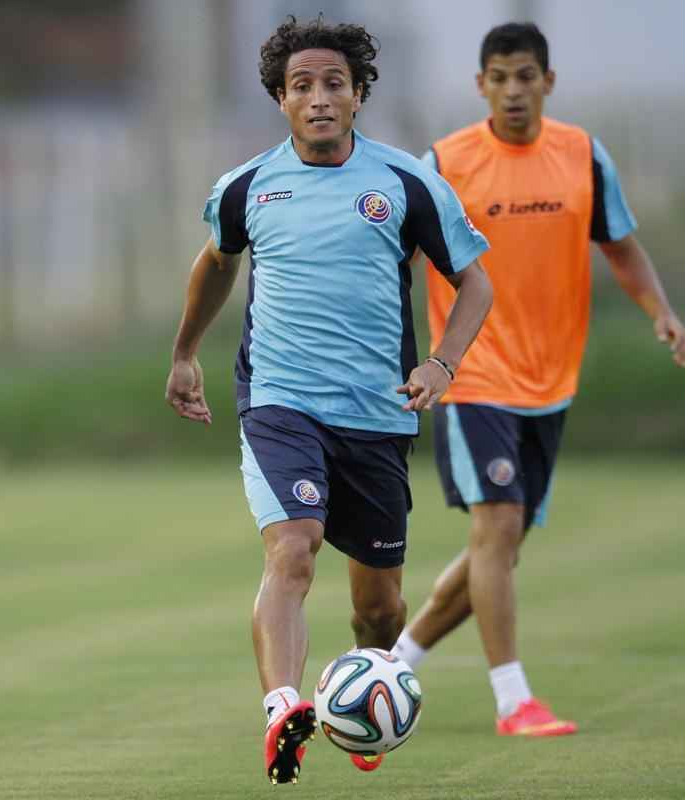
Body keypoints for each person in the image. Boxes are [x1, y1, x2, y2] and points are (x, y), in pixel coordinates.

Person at [165, 16, 494, 785]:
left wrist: (443, 364)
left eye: (334, 84)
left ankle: (370, 694)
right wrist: (184, 353)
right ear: (280, 99)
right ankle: (283, 706)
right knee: (293, 547)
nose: (319, 98)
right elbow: (215, 264)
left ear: (358, 96)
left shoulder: (406, 183)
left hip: (379, 417)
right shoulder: (247, 187)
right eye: (302, 86)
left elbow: (474, 280)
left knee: (379, 609)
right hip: (281, 402)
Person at [389, 22, 685, 737]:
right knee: (498, 526)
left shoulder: (582, 156)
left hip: (551, 381)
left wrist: (663, 312)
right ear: (480, 84)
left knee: (502, 543)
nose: (514, 90)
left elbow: (620, 246)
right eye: (500, 77)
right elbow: (393, 256)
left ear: (548, 82)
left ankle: (392, 662)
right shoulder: (446, 162)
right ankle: (513, 700)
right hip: (471, 371)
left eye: (526, 77)